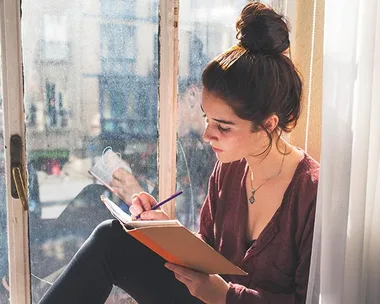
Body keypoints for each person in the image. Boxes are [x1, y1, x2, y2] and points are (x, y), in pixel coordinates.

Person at [39, 2, 319, 303]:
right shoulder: (229, 169)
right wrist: (164, 233)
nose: (208, 135)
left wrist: (226, 295)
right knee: (112, 237)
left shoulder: (310, 192)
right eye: (206, 119)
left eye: (223, 127)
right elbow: (207, 254)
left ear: (267, 124)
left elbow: (309, 299)